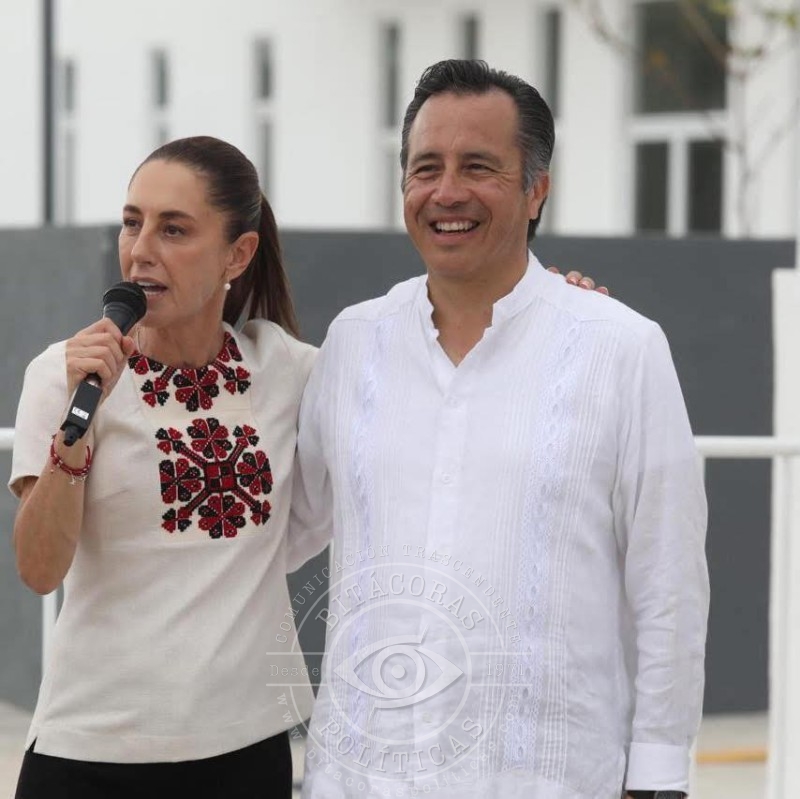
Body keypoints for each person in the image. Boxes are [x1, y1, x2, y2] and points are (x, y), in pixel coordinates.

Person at [288, 60, 708, 799]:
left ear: (536, 188)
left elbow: (668, 581)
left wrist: (659, 774)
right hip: (362, 780)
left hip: (549, 780)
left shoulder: (621, 349)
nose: (447, 192)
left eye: (478, 166)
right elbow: (283, 530)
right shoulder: (353, 343)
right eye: (426, 168)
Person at [9, 136, 321, 799]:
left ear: (238, 253)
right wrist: (75, 431)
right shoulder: (63, 374)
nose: (140, 248)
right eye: (133, 222)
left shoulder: (289, 372)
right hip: (91, 754)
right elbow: (39, 569)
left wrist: (543, 307)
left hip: (246, 751)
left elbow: (417, 369)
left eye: (173, 229)